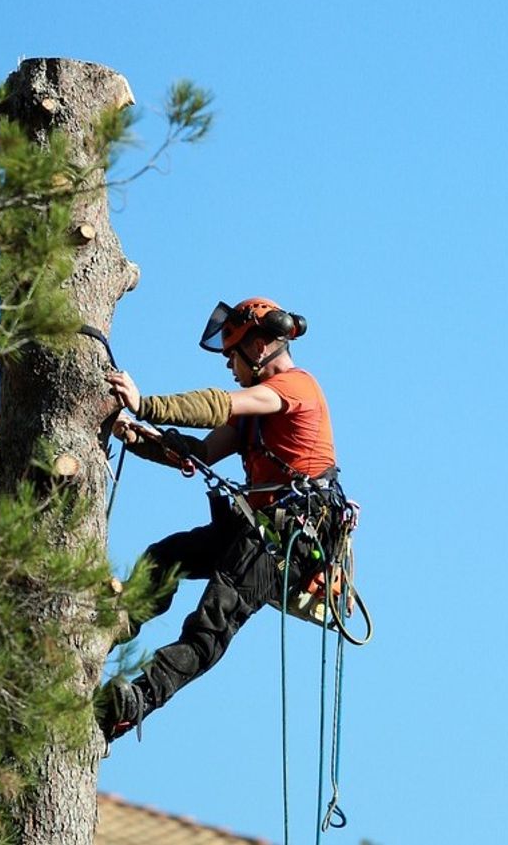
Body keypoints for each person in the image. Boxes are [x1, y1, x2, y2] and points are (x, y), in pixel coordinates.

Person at [98, 297, 348, 742]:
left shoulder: (295, 388)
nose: (229, 365)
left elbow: (217, 405)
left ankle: (136, 702)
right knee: (167, 556)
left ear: (258, 348)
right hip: (258, 528)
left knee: (212, 620)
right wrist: (138, 437)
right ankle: (119, 619)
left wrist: (146, 405)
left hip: (290, 537)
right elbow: (199, 452)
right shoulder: (253, 419)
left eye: (232, 354)